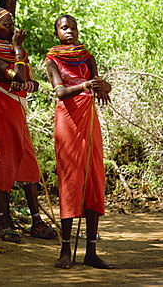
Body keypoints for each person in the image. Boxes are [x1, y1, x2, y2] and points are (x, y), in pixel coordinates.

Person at [0, 7, 57, 242]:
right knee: (2, 159)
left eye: (12, 24)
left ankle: (37, 223)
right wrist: (18, 50)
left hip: (17, 107)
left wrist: (25, 82)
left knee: (27, 159)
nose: (11, 28)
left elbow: (31, 83)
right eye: (6, 25)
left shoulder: (10, 51)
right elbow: (21, 78)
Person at [46, 14, 114, 269]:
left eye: (73, 28)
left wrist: (103, 86)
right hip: (67, 122)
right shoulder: (52, 60)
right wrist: (86, 85)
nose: (70, 32)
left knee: (93, 178)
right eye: (64, 28)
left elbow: (99, 87)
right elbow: (61, 92)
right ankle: (65, 250)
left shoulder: (87, 57)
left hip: (89, 121)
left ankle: (91, 252)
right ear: (57, 34)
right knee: (70, 179)